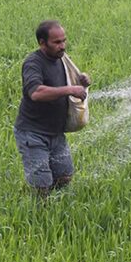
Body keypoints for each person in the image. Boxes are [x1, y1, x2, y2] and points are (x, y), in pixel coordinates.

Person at [14, 20, 91, 198]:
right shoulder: (33, 64)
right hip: (33, 134)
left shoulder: (62, 59)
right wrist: (70, 90)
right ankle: (38, 215)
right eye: (57, 42)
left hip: (56, 133)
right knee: (41, 186)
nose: (62, 46)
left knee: (64, 177)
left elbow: (72, 80)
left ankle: (56, 209)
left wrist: (82, 82)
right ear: (42, 43)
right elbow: (36, 93)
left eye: (64, 41)